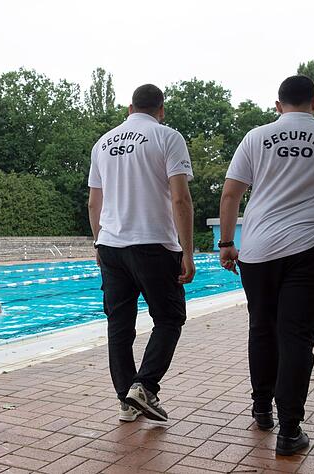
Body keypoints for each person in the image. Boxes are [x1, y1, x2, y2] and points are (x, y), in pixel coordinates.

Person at [218, 75, 314, 456]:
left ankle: (262, 409)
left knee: (262, 327)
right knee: (295, 336)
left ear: (278, 106)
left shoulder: (256, 137)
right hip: (308, 250)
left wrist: (227, 243)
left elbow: (230, 193)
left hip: (257, 251)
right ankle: (289, 430)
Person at [88, 84, 195, 424]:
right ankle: (144, 387)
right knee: (169, 318)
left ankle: (127, 402)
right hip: (153, 244)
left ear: (129, 108)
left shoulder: (103, 143)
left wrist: (98, 243)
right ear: (161, 110)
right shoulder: (168, 137)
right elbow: (180, 199)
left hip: (111, 246)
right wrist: (187, 251)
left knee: (119, 326)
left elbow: (94, 202)